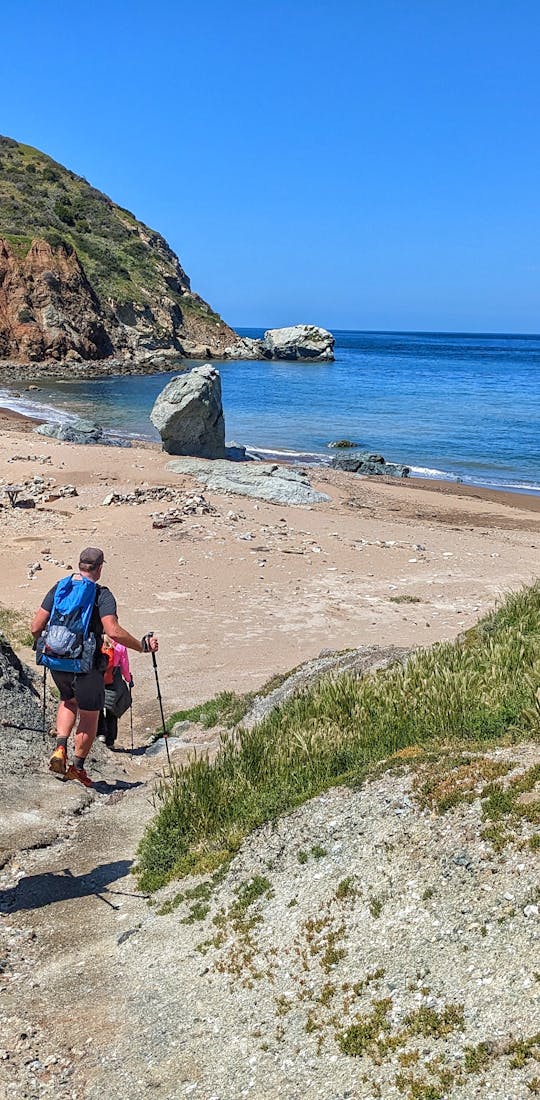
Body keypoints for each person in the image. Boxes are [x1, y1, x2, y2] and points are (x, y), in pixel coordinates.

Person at [30, 547, 158, 788]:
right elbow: (113, 631)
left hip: (57, 661)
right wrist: (141, 647)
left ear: (80, 565)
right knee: (89, 714)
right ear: (99, 569)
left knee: (68, 700)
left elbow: (36, 626)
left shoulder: (60, 587)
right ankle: (77, 768)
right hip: (86, 664)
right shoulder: (101, 594)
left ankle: (60, 748)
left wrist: (48, 645)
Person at [97, 635, 132, 748]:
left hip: (98, 679)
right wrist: (128, 679)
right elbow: (125, 666)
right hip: (114, 679)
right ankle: (110, 740)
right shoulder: (120, 646)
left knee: (98, 707)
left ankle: (101, 733)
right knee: (112, 710)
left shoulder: (98, 642)